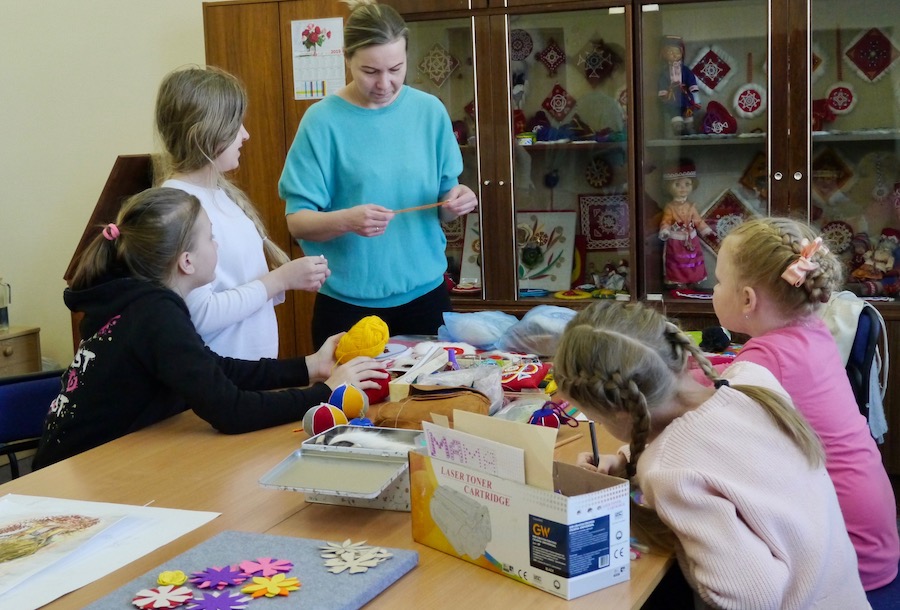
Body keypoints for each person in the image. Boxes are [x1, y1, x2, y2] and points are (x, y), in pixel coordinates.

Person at [33, 187, 385, 470]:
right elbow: (230, 411)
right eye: (211, 238)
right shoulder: (153, 312)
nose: (216, 245)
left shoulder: (142, 302)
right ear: (186, 261)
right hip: (73, 476)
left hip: (84, 466)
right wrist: (325, 392)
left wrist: (310, 367)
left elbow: (213, 368)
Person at [553, 301, 868, 608]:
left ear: (619, 413)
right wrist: (627, 459)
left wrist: (682, 543)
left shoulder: (669, 472)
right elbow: (714, 448)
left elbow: (752, 597)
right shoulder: (752, 381)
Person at [710, 216, 899, 591]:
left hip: (846, 564)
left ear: (747, 299)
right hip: (875, 542)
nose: (714, 290)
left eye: (717, 282)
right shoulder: (812, 334)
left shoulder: (766, 359)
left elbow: (706, 431)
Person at [279, 0, 478, 348]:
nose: (385, 83)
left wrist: (456, 200)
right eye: (370, 71)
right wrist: (347, 220)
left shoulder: (429, 111)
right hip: (346, 305)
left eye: (396, 69)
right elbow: (297, 222)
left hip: (426, 298)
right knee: (350, 403)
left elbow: (445, 201)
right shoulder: (322, 121)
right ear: (347, 59)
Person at [155, 65, 330, 360]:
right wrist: (280, 280)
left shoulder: (220, 196)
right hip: (220, 381)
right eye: (236, 124)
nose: (246, 135)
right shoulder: (178, 207)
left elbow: (240, 286)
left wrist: (290, 278)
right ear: (207, 132)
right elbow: (200, 315)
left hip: (247, 377)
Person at [658, 159, 713, 288]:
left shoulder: (691, 206)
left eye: (687, 184)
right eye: (677, 185)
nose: (683, 188)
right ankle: (679, 283)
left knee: (692, 261)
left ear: (693, 185)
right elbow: (666, 220)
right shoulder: (670, 207)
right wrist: (665, 230)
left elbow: (698, 220)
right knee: (678, 262)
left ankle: (692, 281)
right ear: (668, 187)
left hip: (691, 240)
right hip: (676, 242)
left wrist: (705, 230)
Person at [657, 35, 701, 136]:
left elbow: (690, 78)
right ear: (664, 54)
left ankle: (689, 129)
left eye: (677, 52)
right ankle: (678, 130)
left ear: (682, 53)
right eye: (670, 52)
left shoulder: (685, 70)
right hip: (672, 96)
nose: (674, 55)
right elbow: (663, 81)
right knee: (674, 114)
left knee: (688, 114)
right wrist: (663, 92)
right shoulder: (664, 72)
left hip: (685, 96)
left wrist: (692, 87)